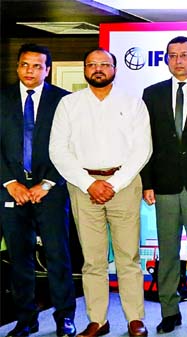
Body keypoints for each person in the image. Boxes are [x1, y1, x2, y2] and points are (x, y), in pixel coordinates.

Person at [48, 48, 152, 337]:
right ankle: (98, 320)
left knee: (128, 256)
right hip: (83, 187)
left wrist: (113, 184)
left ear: (115, 69)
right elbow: (58, 150)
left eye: (104, 64)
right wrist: (88, 183)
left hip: (124, 184)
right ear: (84, 70)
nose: (98, 69)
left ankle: (135, 319)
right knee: (92, 260)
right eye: (92, 65)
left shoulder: (132, 104)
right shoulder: (69, 104)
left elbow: (142, 149)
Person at [0, 43, 75, 337]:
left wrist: (48, 182)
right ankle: (26, 319)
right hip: (11, 190)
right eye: (24, 65)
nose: (29, 71)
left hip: (51, 190)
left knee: (58, 256)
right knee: (19, 259)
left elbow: (72, 147)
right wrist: (9, 182)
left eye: (36, 66)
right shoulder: (2, 98)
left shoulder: (65, 101)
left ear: (47, 69)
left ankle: (64, 317)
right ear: (18, 67)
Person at [140, 36, 187, 334]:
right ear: (166, 59)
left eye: (185, 55)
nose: (179, 60)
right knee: (167, 253)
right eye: (173, 55)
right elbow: (145, 142)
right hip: (165, 187)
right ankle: (169, 311)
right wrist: (147, 182)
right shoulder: (152, 94)